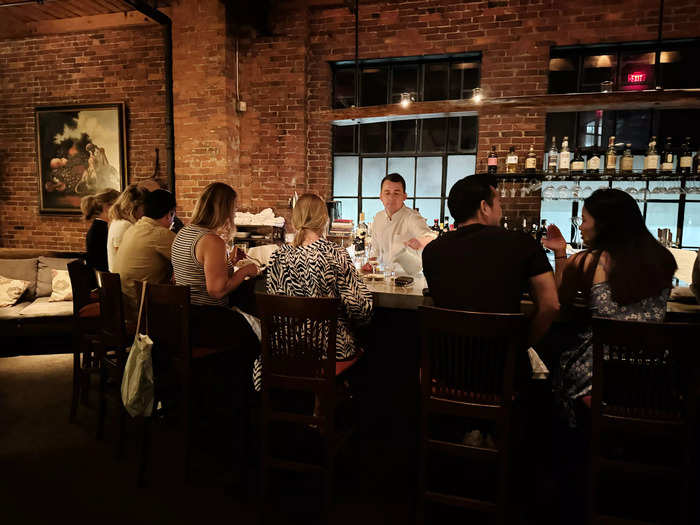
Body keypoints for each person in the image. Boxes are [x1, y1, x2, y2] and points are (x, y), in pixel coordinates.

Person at [543, 188, 677, 426]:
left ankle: (564, 443)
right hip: (653, 377)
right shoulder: (663, 259)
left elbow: (559, 301)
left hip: (598, 376)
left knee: (551, 349)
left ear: (603, 224)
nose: (581, 227)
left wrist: (561, 254)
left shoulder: (588, 261)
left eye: (584, 220)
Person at [422, 175, 559, 345]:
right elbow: (551, 305)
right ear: (484, 207)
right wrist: (523, 345)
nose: (501, 210)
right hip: (503, 366)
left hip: (446, 364)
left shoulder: (431, 251)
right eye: (499, 203)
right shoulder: (523, 244)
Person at [259, 193, 373, 391]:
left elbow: (275, 309)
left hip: (286, 349)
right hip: (329, 351)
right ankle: (328, 400)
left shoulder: (278, 255)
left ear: (295, 219)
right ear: (325, 220)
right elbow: (360, 309)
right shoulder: (335, 253)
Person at [171, 183, 260, 373]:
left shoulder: (183, 233)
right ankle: (244, 389)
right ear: (224, 209)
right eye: (233, 208)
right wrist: (244, 271)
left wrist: (228, 261)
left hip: (182, 317)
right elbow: (216, 290)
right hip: (205, 320)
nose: (234, 213)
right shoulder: (211, 240)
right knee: (259, 331)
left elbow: (191, 272)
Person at [112, 189, 177, 319]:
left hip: (123, 303)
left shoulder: (133, 228)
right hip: (142, 307)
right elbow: (190, 260)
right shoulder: (160, 234)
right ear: (169, 215)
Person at [369, 173, 436, 271]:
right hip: (383, 277)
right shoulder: (378, 217)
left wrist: (420, 241)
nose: (391, 197)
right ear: (381, 196)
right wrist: (370, 264)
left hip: (409, 279)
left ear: (404, 196)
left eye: (396, 193)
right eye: (387, 193)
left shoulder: (412, 217)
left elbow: (433, 238)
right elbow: (375, 250)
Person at [107, 184, 146, 271]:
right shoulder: (124, 225)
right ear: (134, 207)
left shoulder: (119, 221)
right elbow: (123, 259)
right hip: (120, 280)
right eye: (144, 207)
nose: (145, 212)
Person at [80, 189, 120, 272]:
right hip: (104, 280)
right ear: (107, 207)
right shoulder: (101, 229)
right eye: (119, 206)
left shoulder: (99, 226)